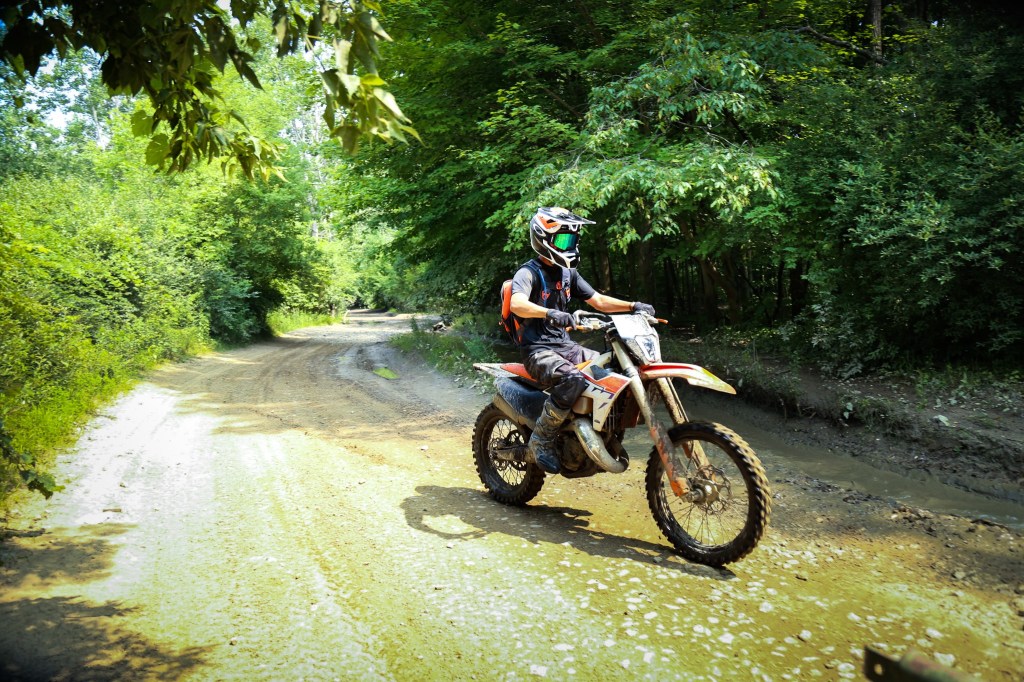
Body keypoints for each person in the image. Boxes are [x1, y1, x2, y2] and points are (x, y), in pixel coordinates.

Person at [509, 207, 656, 474]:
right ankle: (541, 440)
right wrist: (549, 313)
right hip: (537, 350)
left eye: (573, 240)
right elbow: (517, 303)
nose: (570, 245)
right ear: (543, 238)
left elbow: (598, 300)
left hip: (566, 347)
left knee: (612, 372)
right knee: (572, 379)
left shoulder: (569, 274)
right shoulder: (529, 272)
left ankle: (601, 434)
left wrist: (633, 306)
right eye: (564, 239)